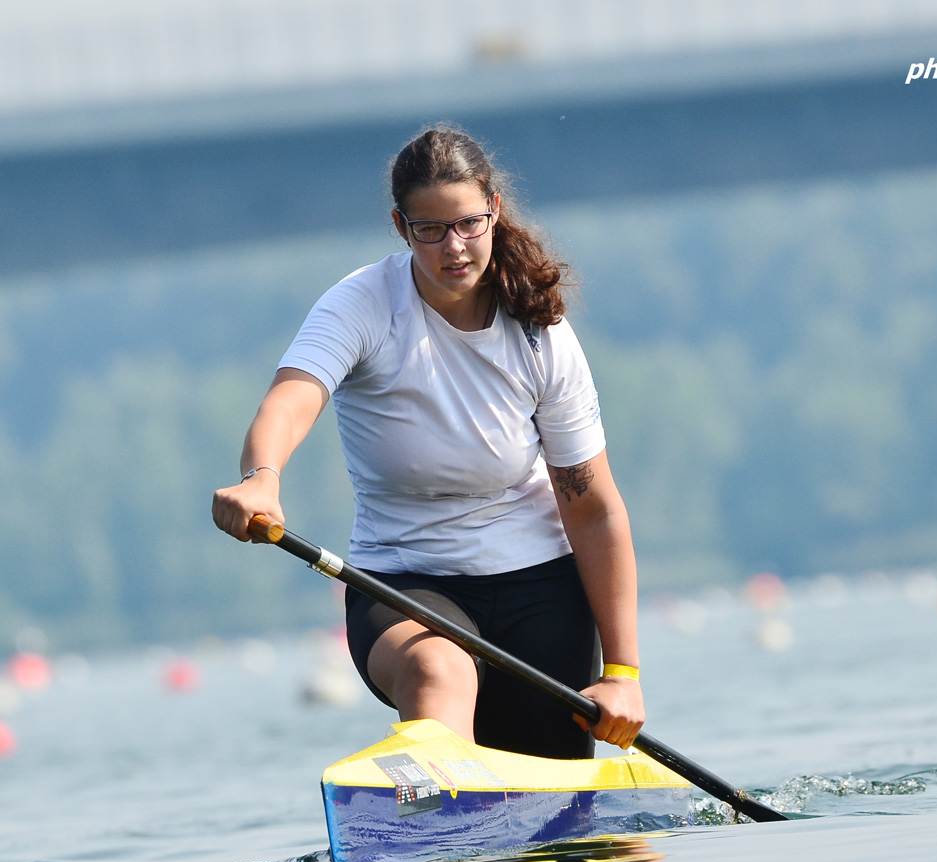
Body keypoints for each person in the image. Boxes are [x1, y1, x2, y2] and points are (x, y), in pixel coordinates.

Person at [212, 126, 643, 758]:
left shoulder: (540, 335)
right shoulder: (362, 305)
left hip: (541, 592)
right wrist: (263, 478)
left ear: (494, 208)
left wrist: (623, 675)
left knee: (562, 828)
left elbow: (592, 507)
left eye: (469, 224)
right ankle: (441, 821)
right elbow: (291, 399)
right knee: (438, 670)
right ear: (400, 226)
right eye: (430, 229)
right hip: (405, 581)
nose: (455, 247)